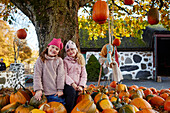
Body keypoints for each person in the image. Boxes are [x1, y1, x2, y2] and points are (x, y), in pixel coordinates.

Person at [33, 38, 65, 104]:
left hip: (54, 93)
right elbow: (37, 75)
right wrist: (38, 89)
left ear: (58, 52)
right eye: (52, 47)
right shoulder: (41, 59)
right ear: (48, 47)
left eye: (57, 49)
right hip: (43, 93)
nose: (54, 50)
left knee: (59, 108)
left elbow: (61, 76)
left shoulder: (59, 61)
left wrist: (60, 90)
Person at [64, 40, 87, 113]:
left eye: (72, 49)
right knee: (72, 92)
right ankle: (69, 110)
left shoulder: (80, 60)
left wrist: (81, 85)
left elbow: (84, 75)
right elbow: (64, 74)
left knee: (79, 95)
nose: (71, 52)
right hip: (68, 84)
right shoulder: (65, 61)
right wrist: (72, 84)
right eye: (68, 50)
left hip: (78, 85)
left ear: (76, 50)